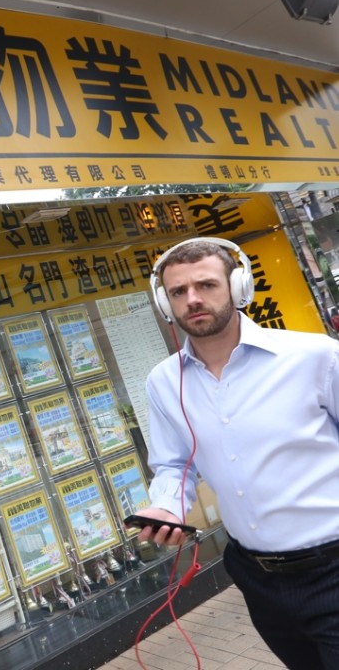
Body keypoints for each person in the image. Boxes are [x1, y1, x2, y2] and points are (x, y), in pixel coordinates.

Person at [132, 237, 339, 670]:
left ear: (239, 287)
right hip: (256, 577)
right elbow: (172, 463)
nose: (193, 300)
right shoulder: (164, 382)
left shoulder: (316, 356)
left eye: (206, 285)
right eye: (178, 292)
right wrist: (167, 507)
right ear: (165, 304)